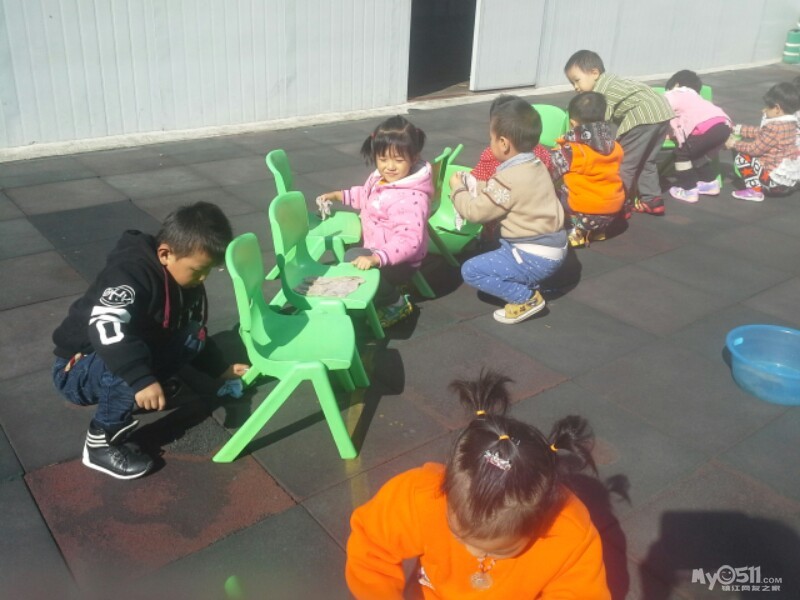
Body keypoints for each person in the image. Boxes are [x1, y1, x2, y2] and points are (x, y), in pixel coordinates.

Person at [346, 370, 610, 599]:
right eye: (458, 535)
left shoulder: (568, 534)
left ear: (541, 521)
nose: (474, 553)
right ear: (446, 488)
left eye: (502, 550)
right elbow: (372, 550)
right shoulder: (419, 496)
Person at [51, 202, 249, 480]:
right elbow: (106, 326)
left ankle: (143, 382)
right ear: (165, 254)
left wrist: (220, 369)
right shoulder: (130, 273)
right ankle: (100, 442)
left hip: (127, 349)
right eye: (197, 270)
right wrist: (140, 378)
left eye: (209, 270)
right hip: (77, 369)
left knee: (192, 334)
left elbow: (194, 326)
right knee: (126, 356)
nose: (203, 278)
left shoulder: (186, 281)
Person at [450, 95, 567, 325]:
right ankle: (527, 278)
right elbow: (500, 193)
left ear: (503, 143)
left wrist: (458, 190)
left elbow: (474, 213)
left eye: (491, 138)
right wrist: (476, 186)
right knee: (501, 245)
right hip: (553, 246)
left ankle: (526, 298)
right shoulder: (535, 163)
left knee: (471, 270)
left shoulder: (508, 179)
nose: (490, 143)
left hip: (534, 255)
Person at [317, 115, 433, 328]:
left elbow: (409, 240)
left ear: (413, 158)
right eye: (383, 159)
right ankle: (386, 287)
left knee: (353, 259)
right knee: (353, 256)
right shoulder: (381, 179)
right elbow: (367, 196)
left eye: (398, 160)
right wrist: (339, 195)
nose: (390, 166)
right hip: (379, 248)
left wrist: (376, 258)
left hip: (400, 261)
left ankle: (395, 303)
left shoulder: (411, 198)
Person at [564, 49, 674, 216]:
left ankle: (619, 205)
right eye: (572, 83)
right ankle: (652, 200)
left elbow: (601, 124)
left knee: (625, 163)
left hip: (643, 116)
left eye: (577, 80)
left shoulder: (600, 93)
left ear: (594, 73)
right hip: (662, 111)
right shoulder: (614, 81)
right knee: (647, 159)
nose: (576, 87)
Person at [549, 91, 625, 248]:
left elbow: (549, 172)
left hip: (584, 212)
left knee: (551, 192)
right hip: (612, 212)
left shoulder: (571, 151)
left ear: (573, 123)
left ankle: (576, 230)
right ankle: (598, 231)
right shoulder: (616, 147)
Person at [662, 70, 732, 203]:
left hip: (704, 127)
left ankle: (688, 189)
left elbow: (661, 111)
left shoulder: (674, 94)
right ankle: (709, 184)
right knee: (697, 154)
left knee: (682, 155)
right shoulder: (696, 96)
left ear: (676, 84)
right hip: (723, 125)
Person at [725, 82, 800, 201]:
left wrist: (734, 144)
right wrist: (739, 129)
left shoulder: (774, 126)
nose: (763, 110)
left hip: (773, 184)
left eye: (767, 107)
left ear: (777, 109)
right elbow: (761, 132)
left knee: (742, 157)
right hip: (787, 184)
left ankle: (754, 191)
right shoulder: (791, 123)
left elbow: (754, 149)